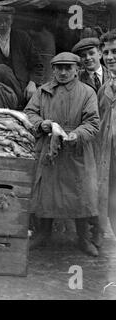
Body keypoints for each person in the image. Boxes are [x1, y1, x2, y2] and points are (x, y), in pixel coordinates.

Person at [24, 52, 100, 256]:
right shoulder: (43, 92)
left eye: (68, 68)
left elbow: (93, 123)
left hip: (77, 150)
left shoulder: (87, 93)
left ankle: (84, 238)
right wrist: (43, 124)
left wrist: (77, 134)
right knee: (46, 193)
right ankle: (42, 233)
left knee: (81, 194)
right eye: (59, 68)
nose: (63, 72)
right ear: (53, 69)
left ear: (77, 70)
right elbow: (29, 114)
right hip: (50, 148)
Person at [71, 37, 112, 249]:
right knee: (86, 188)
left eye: (92, 53)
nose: (88, 58)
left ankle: (99, 232)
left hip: (109, 140)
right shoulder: (76, 80)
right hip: (87, 141)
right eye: (83, 56)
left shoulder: (111, 75)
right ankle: (84, 236)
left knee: (106, 188)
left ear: (100, 53)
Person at [0, 6, 44, 107]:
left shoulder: (22, 37)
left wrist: (33, 83)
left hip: (21, 86)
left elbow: (37, 64)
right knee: (1, 69)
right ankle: (21, 103)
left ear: (12, 20)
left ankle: (19, 102)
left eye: (7, 20)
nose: (3, 24)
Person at [95, 29, 116, 240]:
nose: (110, 57)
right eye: (107, 52)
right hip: (109, 159)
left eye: (115, 51)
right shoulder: (104, 90)